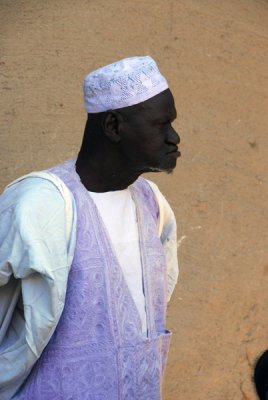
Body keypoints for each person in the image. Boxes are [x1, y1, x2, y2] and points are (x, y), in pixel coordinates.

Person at [0, 55, 181, 399]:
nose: (175, 138)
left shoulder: (152, 203)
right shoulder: (40, 204)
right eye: (161, 125)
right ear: (113, 126)